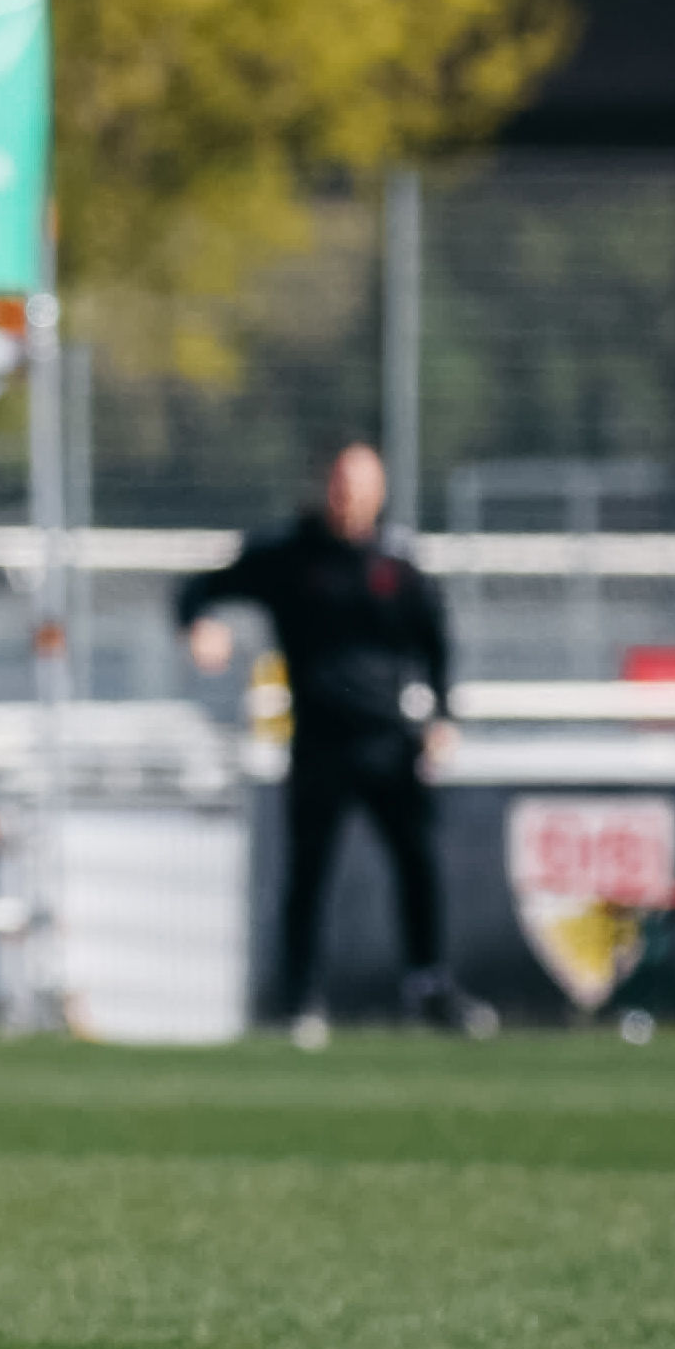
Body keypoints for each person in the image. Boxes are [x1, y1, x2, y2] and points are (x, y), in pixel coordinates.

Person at [181, 442, 492, 1044]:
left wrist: (443, 716)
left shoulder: (396, 565)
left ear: (379, 493)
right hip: (319, 745)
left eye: (360, 486)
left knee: (418, 864)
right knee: (307, 875)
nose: (347, 497)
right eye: (339, 484)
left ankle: (429, 986)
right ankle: (300, 1001)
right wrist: (200, 624)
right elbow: (200, 587)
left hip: (389, 742)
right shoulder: (292, 557)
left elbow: (437, 643)